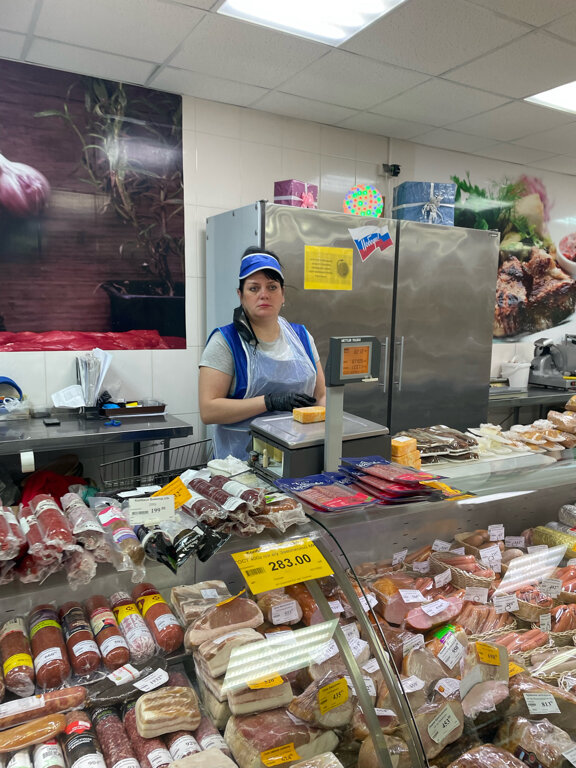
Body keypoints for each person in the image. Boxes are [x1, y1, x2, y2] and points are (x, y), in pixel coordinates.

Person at [199, 247, 326, 459]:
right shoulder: (225, 342)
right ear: (240, 295)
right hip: (240, 466)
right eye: (253, 288)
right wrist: (268, 402)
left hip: (298, 458)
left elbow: (321, 395)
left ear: (283, 294)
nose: (264, 295)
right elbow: (208, 410)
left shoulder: (302, 337)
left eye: (272, 287)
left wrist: (318, 438)